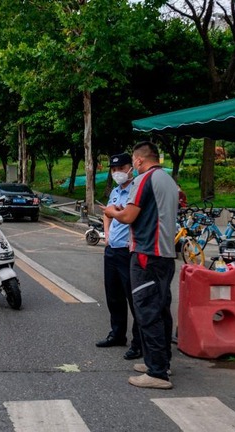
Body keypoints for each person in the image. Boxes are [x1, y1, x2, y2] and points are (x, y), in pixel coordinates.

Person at [102, 141, 177, 390]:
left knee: (147, 311)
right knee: (161, 309)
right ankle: (161, 362)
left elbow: (130, 216)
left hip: (147, 253)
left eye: (133, 161)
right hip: (165, 254)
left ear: (138, 161)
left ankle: (157, 373)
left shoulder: (145, 179)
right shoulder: (168, 180)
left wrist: (113, 213)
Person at [95, 153, 142, 362]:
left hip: (127, 250)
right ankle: (117, 334)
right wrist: (106, 236)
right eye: (114, 170)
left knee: (134, 298)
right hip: (112, 250)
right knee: (113, 296)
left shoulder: (136, 191)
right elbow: (108, 213)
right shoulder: (115, 191)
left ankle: (138, 342)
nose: (117, 173)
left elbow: (130, 216)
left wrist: (116, 214)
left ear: (130, 168)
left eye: (121, 168)